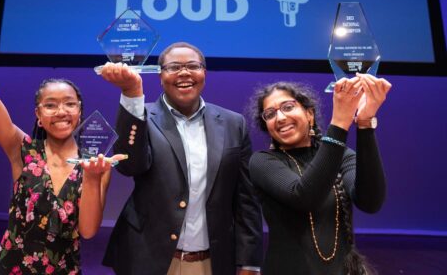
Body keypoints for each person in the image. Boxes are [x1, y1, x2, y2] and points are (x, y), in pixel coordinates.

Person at [0, 1, 123, 275]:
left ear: (80, 112)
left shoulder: (96, 164)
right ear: (38, 115)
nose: (61, 112)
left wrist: (92, 177)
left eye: (70, 104)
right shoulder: (21, 149)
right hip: (13, 268)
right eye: (50, 105)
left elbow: (89, 231)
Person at [99, 42, 263, 275]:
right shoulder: (140, 116)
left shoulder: (233, 123)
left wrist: (249, 262)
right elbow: (128, 165)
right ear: (160, 75)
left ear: (204, 73)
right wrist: (131, 93)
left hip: (211, 261)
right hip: (147, 259)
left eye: (192, 66)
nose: (184, 73)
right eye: (174, 67)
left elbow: (246, 199)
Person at [247, 74, 390, 275]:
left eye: (288, 107)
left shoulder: (342, 156)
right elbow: (304, 196)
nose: (280, 117)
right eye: (269, 114)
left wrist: (365, 123)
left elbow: (371, 202)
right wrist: (339, 122)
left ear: (309, 114)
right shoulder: (262, 162)